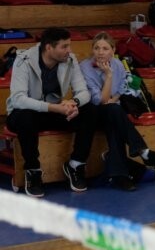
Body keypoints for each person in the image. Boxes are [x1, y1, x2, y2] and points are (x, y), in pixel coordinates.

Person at [6, 27, 98, 197]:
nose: (69, 50)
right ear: (49, 47)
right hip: (24, 113)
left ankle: (76, 164)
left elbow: (83, 92)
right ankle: (33, 170)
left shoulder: (70, 59)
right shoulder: (23, 59)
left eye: (69, 45)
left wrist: (73, 103)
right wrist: (53, 108)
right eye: (64, 46)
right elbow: (18, 99)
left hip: (54, 110)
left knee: (90, 110)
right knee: (26, 117)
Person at [80, 33, 155, 190]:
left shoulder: (117, 64)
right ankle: (144, 153)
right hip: (93, 114)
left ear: (113, 50)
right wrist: (108, 76)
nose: (100, 52)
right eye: (96, 48)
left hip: (113, 111)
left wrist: (113, 100)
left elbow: (121, 89)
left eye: (105, 48)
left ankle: (120, 175)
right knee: (113, 111)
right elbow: (100, 100)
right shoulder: (85, 67)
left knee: (114, 117)